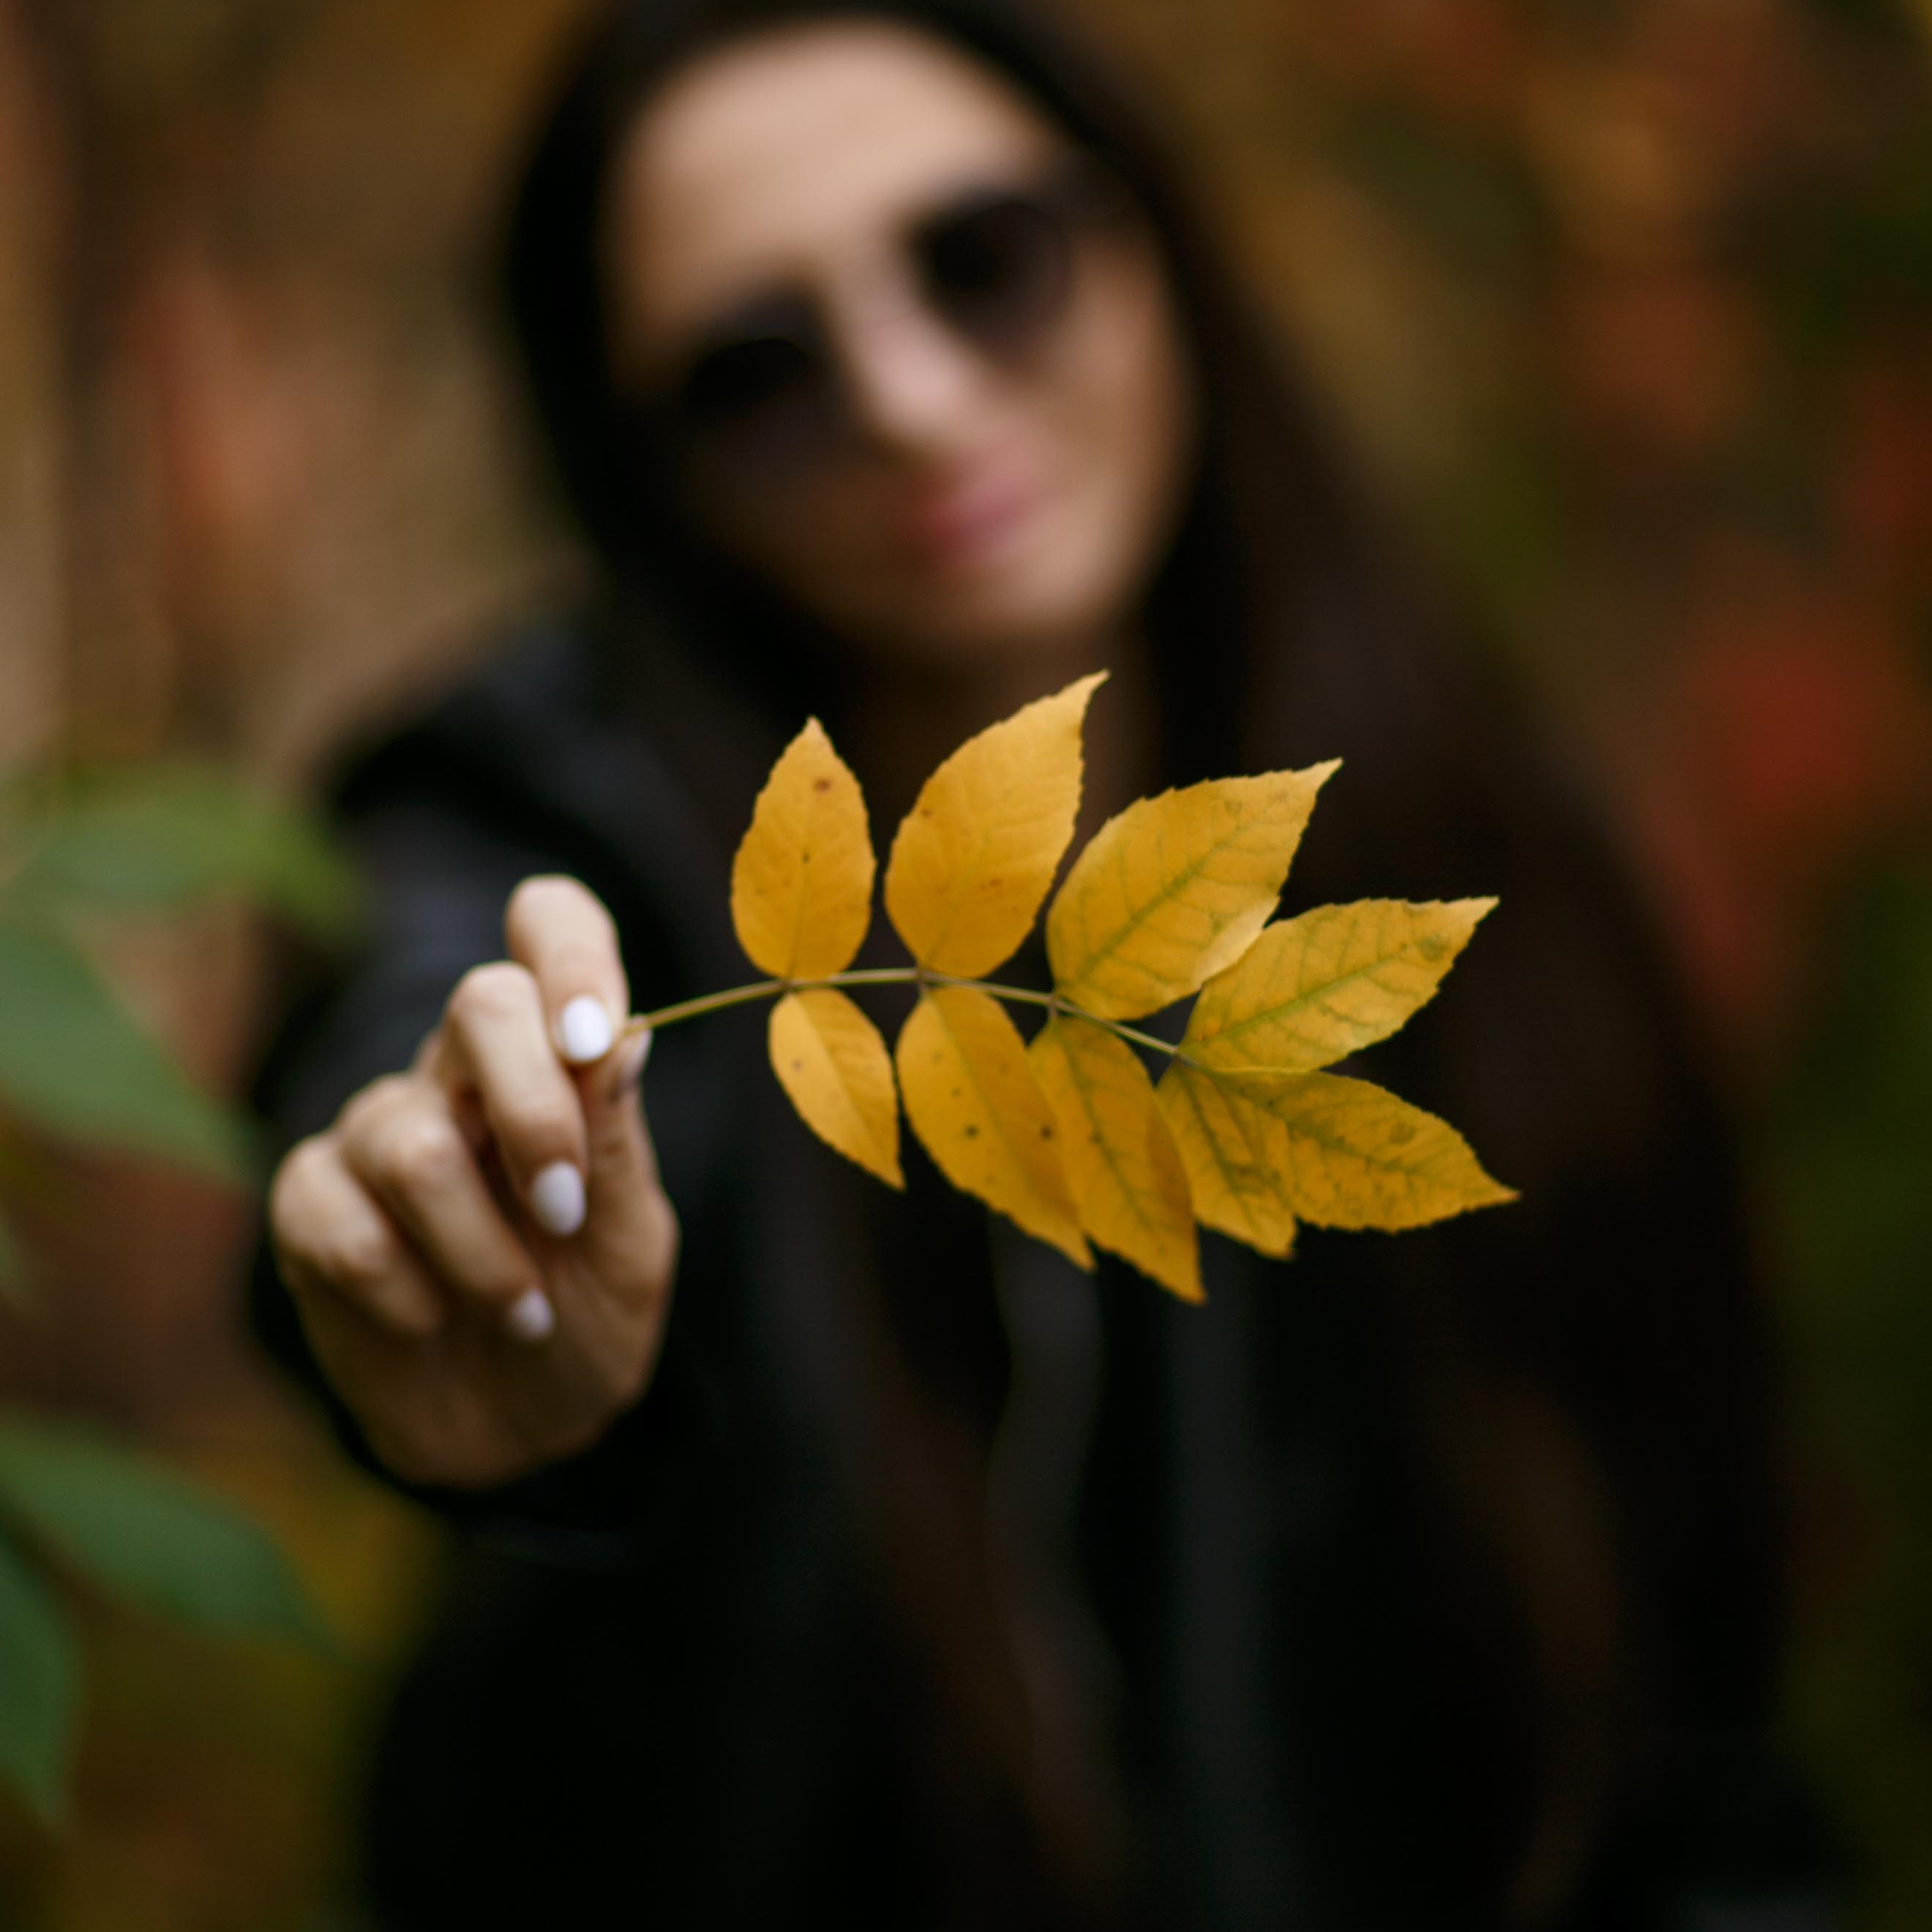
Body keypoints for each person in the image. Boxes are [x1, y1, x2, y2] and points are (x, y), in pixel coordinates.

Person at [251, 2, 1832, 1925]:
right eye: (753, 370)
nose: (910, 401)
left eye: (981, 258)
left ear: (1147, 231)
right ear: (649, 474)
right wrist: (489, 1264)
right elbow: (408, 1014)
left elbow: (1692, 1745)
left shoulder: (1481, 837)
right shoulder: (546, 814)